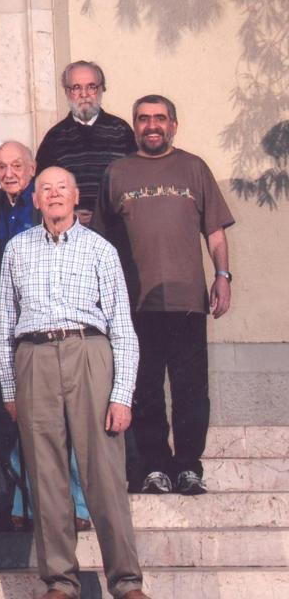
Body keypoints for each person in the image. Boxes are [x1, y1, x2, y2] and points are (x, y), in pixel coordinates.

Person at [0, 166, 148, 599]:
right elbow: (4, 323)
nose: (55, 195)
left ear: (75, 196)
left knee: (104, 474)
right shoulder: (16, 250)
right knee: (45, 475)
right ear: (36, 200)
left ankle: (127, 582)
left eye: (62, 188)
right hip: (34, 358)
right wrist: (9, 386)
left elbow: (121, 325)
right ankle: (60, 581)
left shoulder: (101, 249)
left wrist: (121, 394)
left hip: (89, 354)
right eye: (46, 189)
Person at [94, 94, 235, 496]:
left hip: (188, 301)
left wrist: (223, 275)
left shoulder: (194, 168)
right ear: (135, 125)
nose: (151, 125)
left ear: (173, 124)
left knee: (192, 390)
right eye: (143, 119)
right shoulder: (116, 173)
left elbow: (216, 232)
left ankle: (189, 467)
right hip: (134, 306)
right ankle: (155, 466)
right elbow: (101, 243)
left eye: (159, 118)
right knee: (145, 389)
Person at [0, 143, 91, 533]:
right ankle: (21, 500)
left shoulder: (42, 205)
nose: (9, 173)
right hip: (11, 326)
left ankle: (76, 503)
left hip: (52, 325)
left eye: (17, 166)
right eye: (1, 166)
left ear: (33, 170)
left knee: (65, 423)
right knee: (19, 419)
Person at [35, 61, 136, 225]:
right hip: (70, 233)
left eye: (91, 87)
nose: (84, 94)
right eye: (76, 87)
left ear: (101, 89)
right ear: (67, 92)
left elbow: (135, 182)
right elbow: (41, 189)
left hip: (115, 230)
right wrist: (68, 214)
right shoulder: (54, 137)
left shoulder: (121, 131)